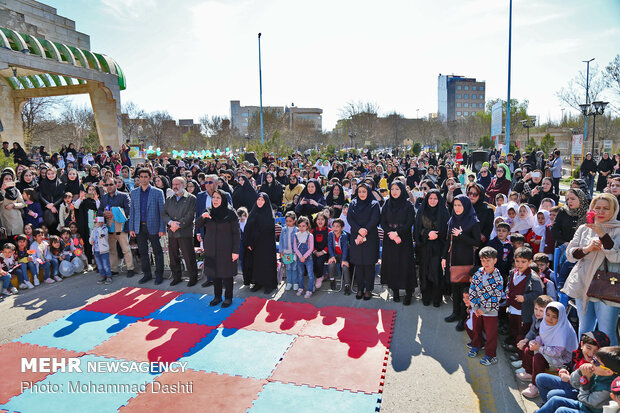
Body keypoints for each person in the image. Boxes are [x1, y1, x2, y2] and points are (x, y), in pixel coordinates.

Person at [563, 193, 620, 346]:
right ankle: (582, 364)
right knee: (584, 329)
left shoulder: (618, 230)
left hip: (608, 287)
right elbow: (570, 255)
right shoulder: (584, 228)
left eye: (605, 209)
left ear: (614, 210)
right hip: (583, 283)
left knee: (606, 332)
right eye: (597, 208)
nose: (600, 212)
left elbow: (617, 257)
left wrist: (603, 235)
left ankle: (610, 368)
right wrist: (587, 249)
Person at [518, 301, 578, 398]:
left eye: (554, 317)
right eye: (548, 314)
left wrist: (539, 348)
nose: (550, 319)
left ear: (560, 318)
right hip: (548, 352)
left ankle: (535, 387)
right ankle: (529, 373)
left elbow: (557, 352)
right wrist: (535, 343)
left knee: (538, 358)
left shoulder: (563, 331)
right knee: (529, 349)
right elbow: (542, 338)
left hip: (562, 361)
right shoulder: (545, 324)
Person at [537, 346, 620, 413]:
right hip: (584, 405)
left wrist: (585, 380)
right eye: (594, 359)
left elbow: (585, 400)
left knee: (561, 410)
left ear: (609, 372)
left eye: (596, 362)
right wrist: (580, 371)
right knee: (555, 400)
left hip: (589, 409)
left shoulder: (607, 388)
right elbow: (574, 382)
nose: (592, 362)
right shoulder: (599, 371)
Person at [536, 330, 610, 404]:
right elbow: (568, 365)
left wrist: (569, 379)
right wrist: (563, 370)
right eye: (588, 348)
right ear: (582, 345)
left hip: (581, 392)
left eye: (596, 351)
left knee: (553, 394)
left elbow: (592, 387)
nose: (591, 353)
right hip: (570, 383)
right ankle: (547, 406)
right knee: (540, 378)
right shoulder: (578, 355)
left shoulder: (600, 366)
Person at [443, 194, 481, 331]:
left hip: (467, 260)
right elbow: (448, 240)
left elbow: (477, 242)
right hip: (454, 259)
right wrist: (443, 258)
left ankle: (463, 318)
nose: (457, 208)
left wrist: (461, 235)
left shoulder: (473, 221)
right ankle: (455, 313)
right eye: (455, 205)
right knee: (455, 288)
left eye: (460, 205)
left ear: (466, 206)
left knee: (465, 291)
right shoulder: (452, 220)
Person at [196, 189, 240, 307]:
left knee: (226, 274)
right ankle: (217, 296)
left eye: (218, 198)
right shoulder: (208, 211)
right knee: (214, 273)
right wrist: (202, 217)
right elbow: (197, 225)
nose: (215, 200)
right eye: (214, 197)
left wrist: (235, 251)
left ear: (224, 199)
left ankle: (228, 297)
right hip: (211, 248)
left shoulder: (231, 213)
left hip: (227, 248)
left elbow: (236, 233)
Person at [380, 181, 416, 305]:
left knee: (405, 265)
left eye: (397, 189)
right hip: (389, 239)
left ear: (402, 190)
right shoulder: (387, 204)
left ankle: (408, 292)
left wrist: (398, 233)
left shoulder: (408, 205)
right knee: (392, 264)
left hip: (404, 239)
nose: (394, 191)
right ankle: (395, 290)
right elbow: (382, 221)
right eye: (392, 189)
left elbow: (410, 222)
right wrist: (391, 233)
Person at [128, 168, 166, 285]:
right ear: (138, 178)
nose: (143, 179)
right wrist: (132, 228)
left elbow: (162, 212)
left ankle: (159, 275)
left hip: (154, 226)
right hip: (139, 226)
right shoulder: (134, 192)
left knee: (157, 251)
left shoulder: (157, 192)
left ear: (150, 178)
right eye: (141, 177)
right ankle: (147, 274)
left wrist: (162, 228)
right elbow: (132, 211)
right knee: (143, 252)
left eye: (146, 177)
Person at [468, 246, 504, 366]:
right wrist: (475, 307)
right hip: (477, 309)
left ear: (495, 260)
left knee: (491, 334)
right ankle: (476, 345)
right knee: (476, 329)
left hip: (490, 311)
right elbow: (472, 290)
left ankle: (490, 355)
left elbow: (496, 296)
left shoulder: (498, 277)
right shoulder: (478, 273)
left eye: (488, 260)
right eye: (483, 260)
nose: (485, 263)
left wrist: (483, 309)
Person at [504, 247, 544, 350]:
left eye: (523, 262)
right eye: (517, 261)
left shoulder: (533, 277)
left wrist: (525, 298)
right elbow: (509, 285)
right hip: (513, 308)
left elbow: (538, 293)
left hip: (524, 310)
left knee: (521, 331)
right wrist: (507, 293)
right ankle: (512, 345)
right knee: (512, 327)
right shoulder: (513, 272)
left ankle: (519, 352)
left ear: (530, 262)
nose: (519, 264)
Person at [415, 189, 449, 307]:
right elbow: (417, 229)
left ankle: (436, 297)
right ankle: (426, 296)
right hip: (424, 247)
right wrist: (427, 234)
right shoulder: (421, 210)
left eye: (435, 198)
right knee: (424, 271)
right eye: (430, 198)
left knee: (436, 272)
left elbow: (446, 231)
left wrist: (437, 235)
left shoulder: (444, 212)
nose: (433, 201)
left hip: (438, 247)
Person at [163, 177, 198, 287]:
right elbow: (164, 214)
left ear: (183, 185)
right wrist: (170, 223)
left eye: (177, 184)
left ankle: (193, 277)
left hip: (184, 232)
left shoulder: (191, 198)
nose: (175, 186)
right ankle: (176, 277)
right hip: (172, 232)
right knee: (173, 256)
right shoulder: (169, 199)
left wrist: (178, 224)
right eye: (173, 184)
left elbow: (190, 215)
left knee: (188, 256)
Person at [348, 183, 380, 300]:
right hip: (356, 237)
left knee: (368, 264)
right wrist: (359, 230)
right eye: (360, 191)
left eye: (364, 191)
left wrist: (365, 230)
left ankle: (368, 289)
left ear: (368, 192)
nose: (362, 194)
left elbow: (375, 219)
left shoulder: (374, 204)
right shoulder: (353, 203)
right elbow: (350, 219)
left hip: (370, 237)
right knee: (359, 264)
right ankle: (360, 288)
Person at [98, 177, 134, 277]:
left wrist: (114, 212)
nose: (109, 187)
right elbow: (99, 211)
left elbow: (128, 210)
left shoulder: (124, 196)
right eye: (106, 185)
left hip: (121, 228)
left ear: (116, 185)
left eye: (111, 184)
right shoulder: (104, 197)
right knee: (111, 250)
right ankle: (114, 269)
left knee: (125, 249)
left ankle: (130, 268)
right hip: (109, 227)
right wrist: (104, 213)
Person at [243, 193, 277, 294]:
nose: (260, 202)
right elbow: (247, 228)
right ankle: (258, 283)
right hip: (254, 244)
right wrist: (249, 241)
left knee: (266, 264)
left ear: (266, 202)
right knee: (256, 264)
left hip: (266, 245)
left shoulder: (269, 215)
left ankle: (268, 284)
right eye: (258, 199)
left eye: (262, 200)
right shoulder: (253, 212)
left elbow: (267, 229)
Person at [293, 216, 315, 298]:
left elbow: (311, 248)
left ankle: (310, 289)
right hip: (299, 258)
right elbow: (295, 247)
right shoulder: (296, 235)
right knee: (300, 273)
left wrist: (304, 256)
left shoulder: (310, 236)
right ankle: (301, 287)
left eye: (303, 226)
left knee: (310, 274)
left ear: (307, 226)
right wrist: (300, 256)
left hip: (308, 258)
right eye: (300, 226)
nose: (301, 228)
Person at [328, 218, 351, 294]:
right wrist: (332, 256)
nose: (335, 228)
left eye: (337, 226)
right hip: (335, 255)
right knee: (331, 265)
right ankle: (332, 280)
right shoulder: (331, 234)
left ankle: (347, 285)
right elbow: (330, 246)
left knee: (345, 267)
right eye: (333, 226)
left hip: (343, 256)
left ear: (342, 228)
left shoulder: (344, 235)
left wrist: (344, 260)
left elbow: (345, 249)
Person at [280, 211, 299, 291]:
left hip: (294, 253)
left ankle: (295, 283)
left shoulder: (297, 230)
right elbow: (281, 240)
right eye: (287, 221)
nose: (288, 223)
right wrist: (281, 251)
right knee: (288, 268)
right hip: (286, 253)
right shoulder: (283, 230)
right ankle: (289, 283)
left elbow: (299, 242)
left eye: (290, 221)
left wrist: (298, 253)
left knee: (294, 268)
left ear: (294, 220)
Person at [90, 216, 112, 284]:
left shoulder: (104, 229)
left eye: (99, 222)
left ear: (102, 222)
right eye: (96, 222)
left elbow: (102, 234)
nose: (97, 224)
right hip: (96, 250)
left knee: (106, 264)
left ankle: (108, 276)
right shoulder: (94, 230)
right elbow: (91, 237)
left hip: (104, 249)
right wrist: (91, 241)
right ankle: (102, 275)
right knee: (99, 264)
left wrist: (99, 227)